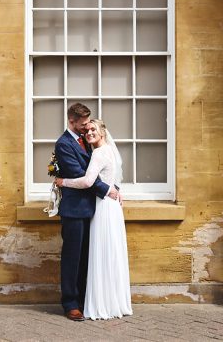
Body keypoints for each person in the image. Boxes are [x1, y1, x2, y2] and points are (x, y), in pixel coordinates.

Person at [55, 117, 132, 320]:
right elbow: (111, 176)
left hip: (102, 207)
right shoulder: (105, 150)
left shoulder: (97, 152)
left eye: (93, 129)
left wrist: (62, 182)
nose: (88, 132)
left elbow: (89, 181)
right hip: (104, 206)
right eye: (87, 129)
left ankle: (98, 302)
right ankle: (108, 300)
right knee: (106, 255)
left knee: (100, 255)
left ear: (103, 132)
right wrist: (113, 189)